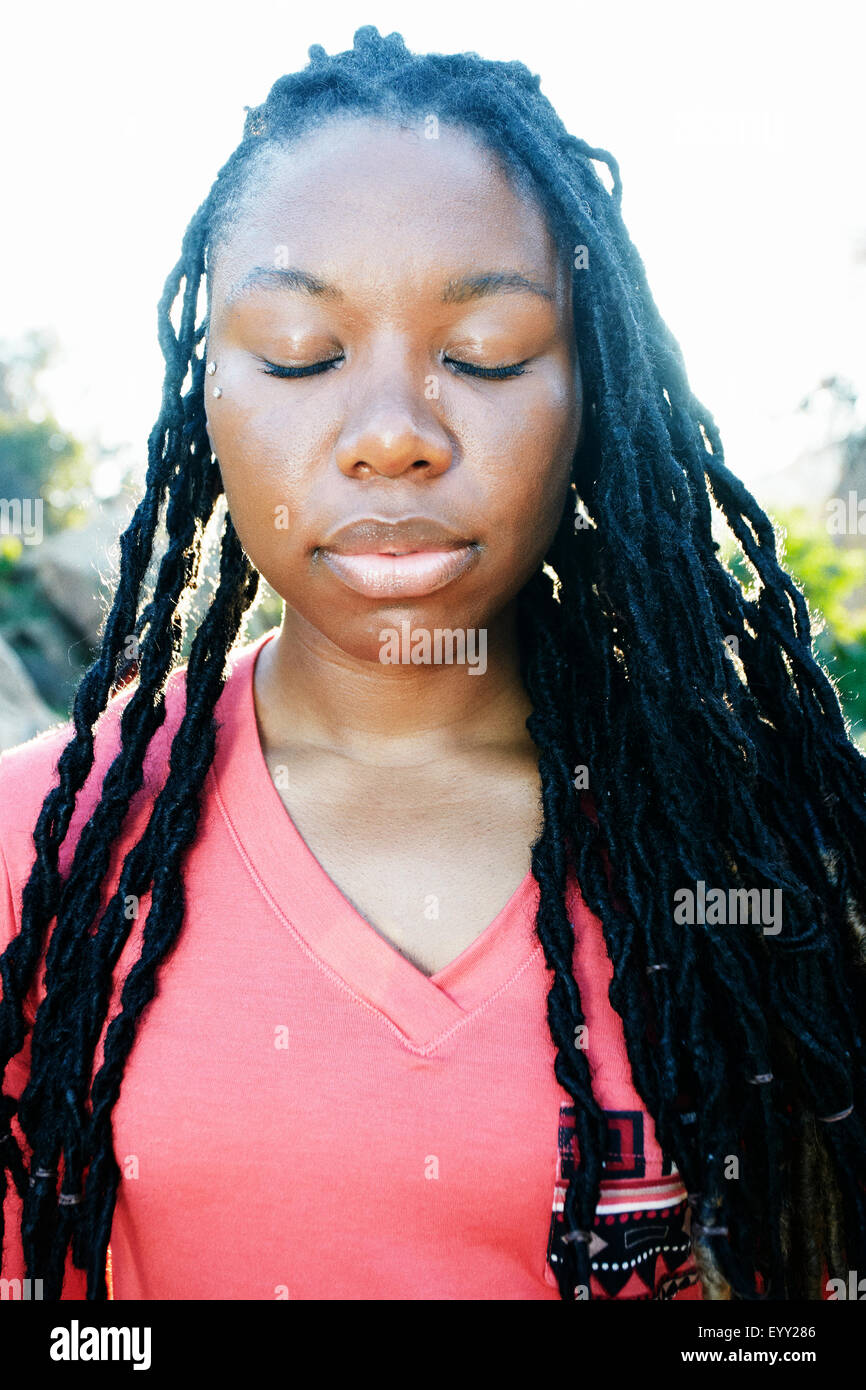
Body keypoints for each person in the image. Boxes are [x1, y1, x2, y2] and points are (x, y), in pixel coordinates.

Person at [1, 25, 865, 1303]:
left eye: (486, 354)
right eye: (299, 351)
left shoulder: (767, 848)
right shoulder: (35, 851)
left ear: (594, 392)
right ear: (206, 388)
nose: (392, 435)